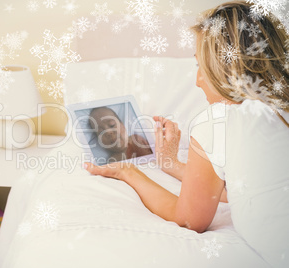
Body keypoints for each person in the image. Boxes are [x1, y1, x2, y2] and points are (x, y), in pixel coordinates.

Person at [85, 1, 289, 267]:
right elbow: (253, 190)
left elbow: (189, 220)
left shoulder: (217, 120)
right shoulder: (278, 109)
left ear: (223, 68)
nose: (197, 80)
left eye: (200, 66)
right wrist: (171, 165)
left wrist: (128, 172)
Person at [89, 106, 153, 163]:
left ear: (122, 125)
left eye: (112, 125)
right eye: (100, 132)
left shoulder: (136, 139)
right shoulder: (113, 160)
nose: (108, 132)